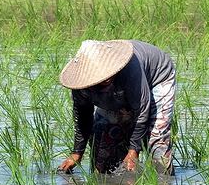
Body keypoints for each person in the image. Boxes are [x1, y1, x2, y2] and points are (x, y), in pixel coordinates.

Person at [58, 39, 176, 175]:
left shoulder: (129, 68)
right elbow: (83, 117)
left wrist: (133, 150)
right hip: (120, 91)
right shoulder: (80, 83)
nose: (107, 77)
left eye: (108, 73)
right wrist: (77, 152)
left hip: (158, 77)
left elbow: (142, 110)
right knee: (102, 146)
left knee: (157, 139)